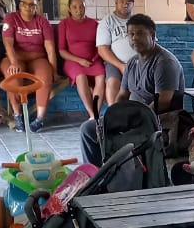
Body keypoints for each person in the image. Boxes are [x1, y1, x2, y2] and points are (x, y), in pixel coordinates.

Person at [78, 14, 185, 166]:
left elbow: (164, 102)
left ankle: (112, 174)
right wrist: (111, 116)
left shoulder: (164, 62)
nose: (134, 38)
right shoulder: (132, 62)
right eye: (131, 34)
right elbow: (122, 95)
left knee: (111, 138)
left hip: (155, 123)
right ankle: (96, 175)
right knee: (88, 130)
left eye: (140, 33)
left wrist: (133, 122)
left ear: (153, 35)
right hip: (132, 118)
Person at [1, 0, 57, 132]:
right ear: (19, 5)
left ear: (36, 7)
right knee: (12, 75)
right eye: (25, 4)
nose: (28, 7)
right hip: (15, 58)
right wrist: (14, 62)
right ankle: (18, 116)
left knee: (45, 77)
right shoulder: (11, 18)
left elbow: (50, 49)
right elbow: (8, 43)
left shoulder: (43, 22)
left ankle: (39, 119)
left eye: (32, 5)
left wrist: (54, 70)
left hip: (37, 58)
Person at [58, 0, 105, 119]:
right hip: (73, 61)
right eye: (74, 7)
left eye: (81, 7)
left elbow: (99, 47)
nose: (78, 10)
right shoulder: (64, 24)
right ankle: (92, 115)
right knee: (81, 76)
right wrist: (80, 60)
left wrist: (94, 59)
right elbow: (62, 51)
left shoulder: (94, 24)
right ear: (69, 9)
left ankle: (96, 112)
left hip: (92, 61)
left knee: (101, 76)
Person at [97, 0, 136, 105]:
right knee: (112, 82)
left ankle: (139, 116)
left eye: (129, 2)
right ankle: (114, 116)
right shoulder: (107, 21)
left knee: (141, 84)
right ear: (116, 2)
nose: (125, 4)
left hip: (138, 63)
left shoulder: (139, 21)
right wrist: (121, 66)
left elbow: (151, 44)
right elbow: (102, 49)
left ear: (133, 4)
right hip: (114, 63)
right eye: (122, 1)